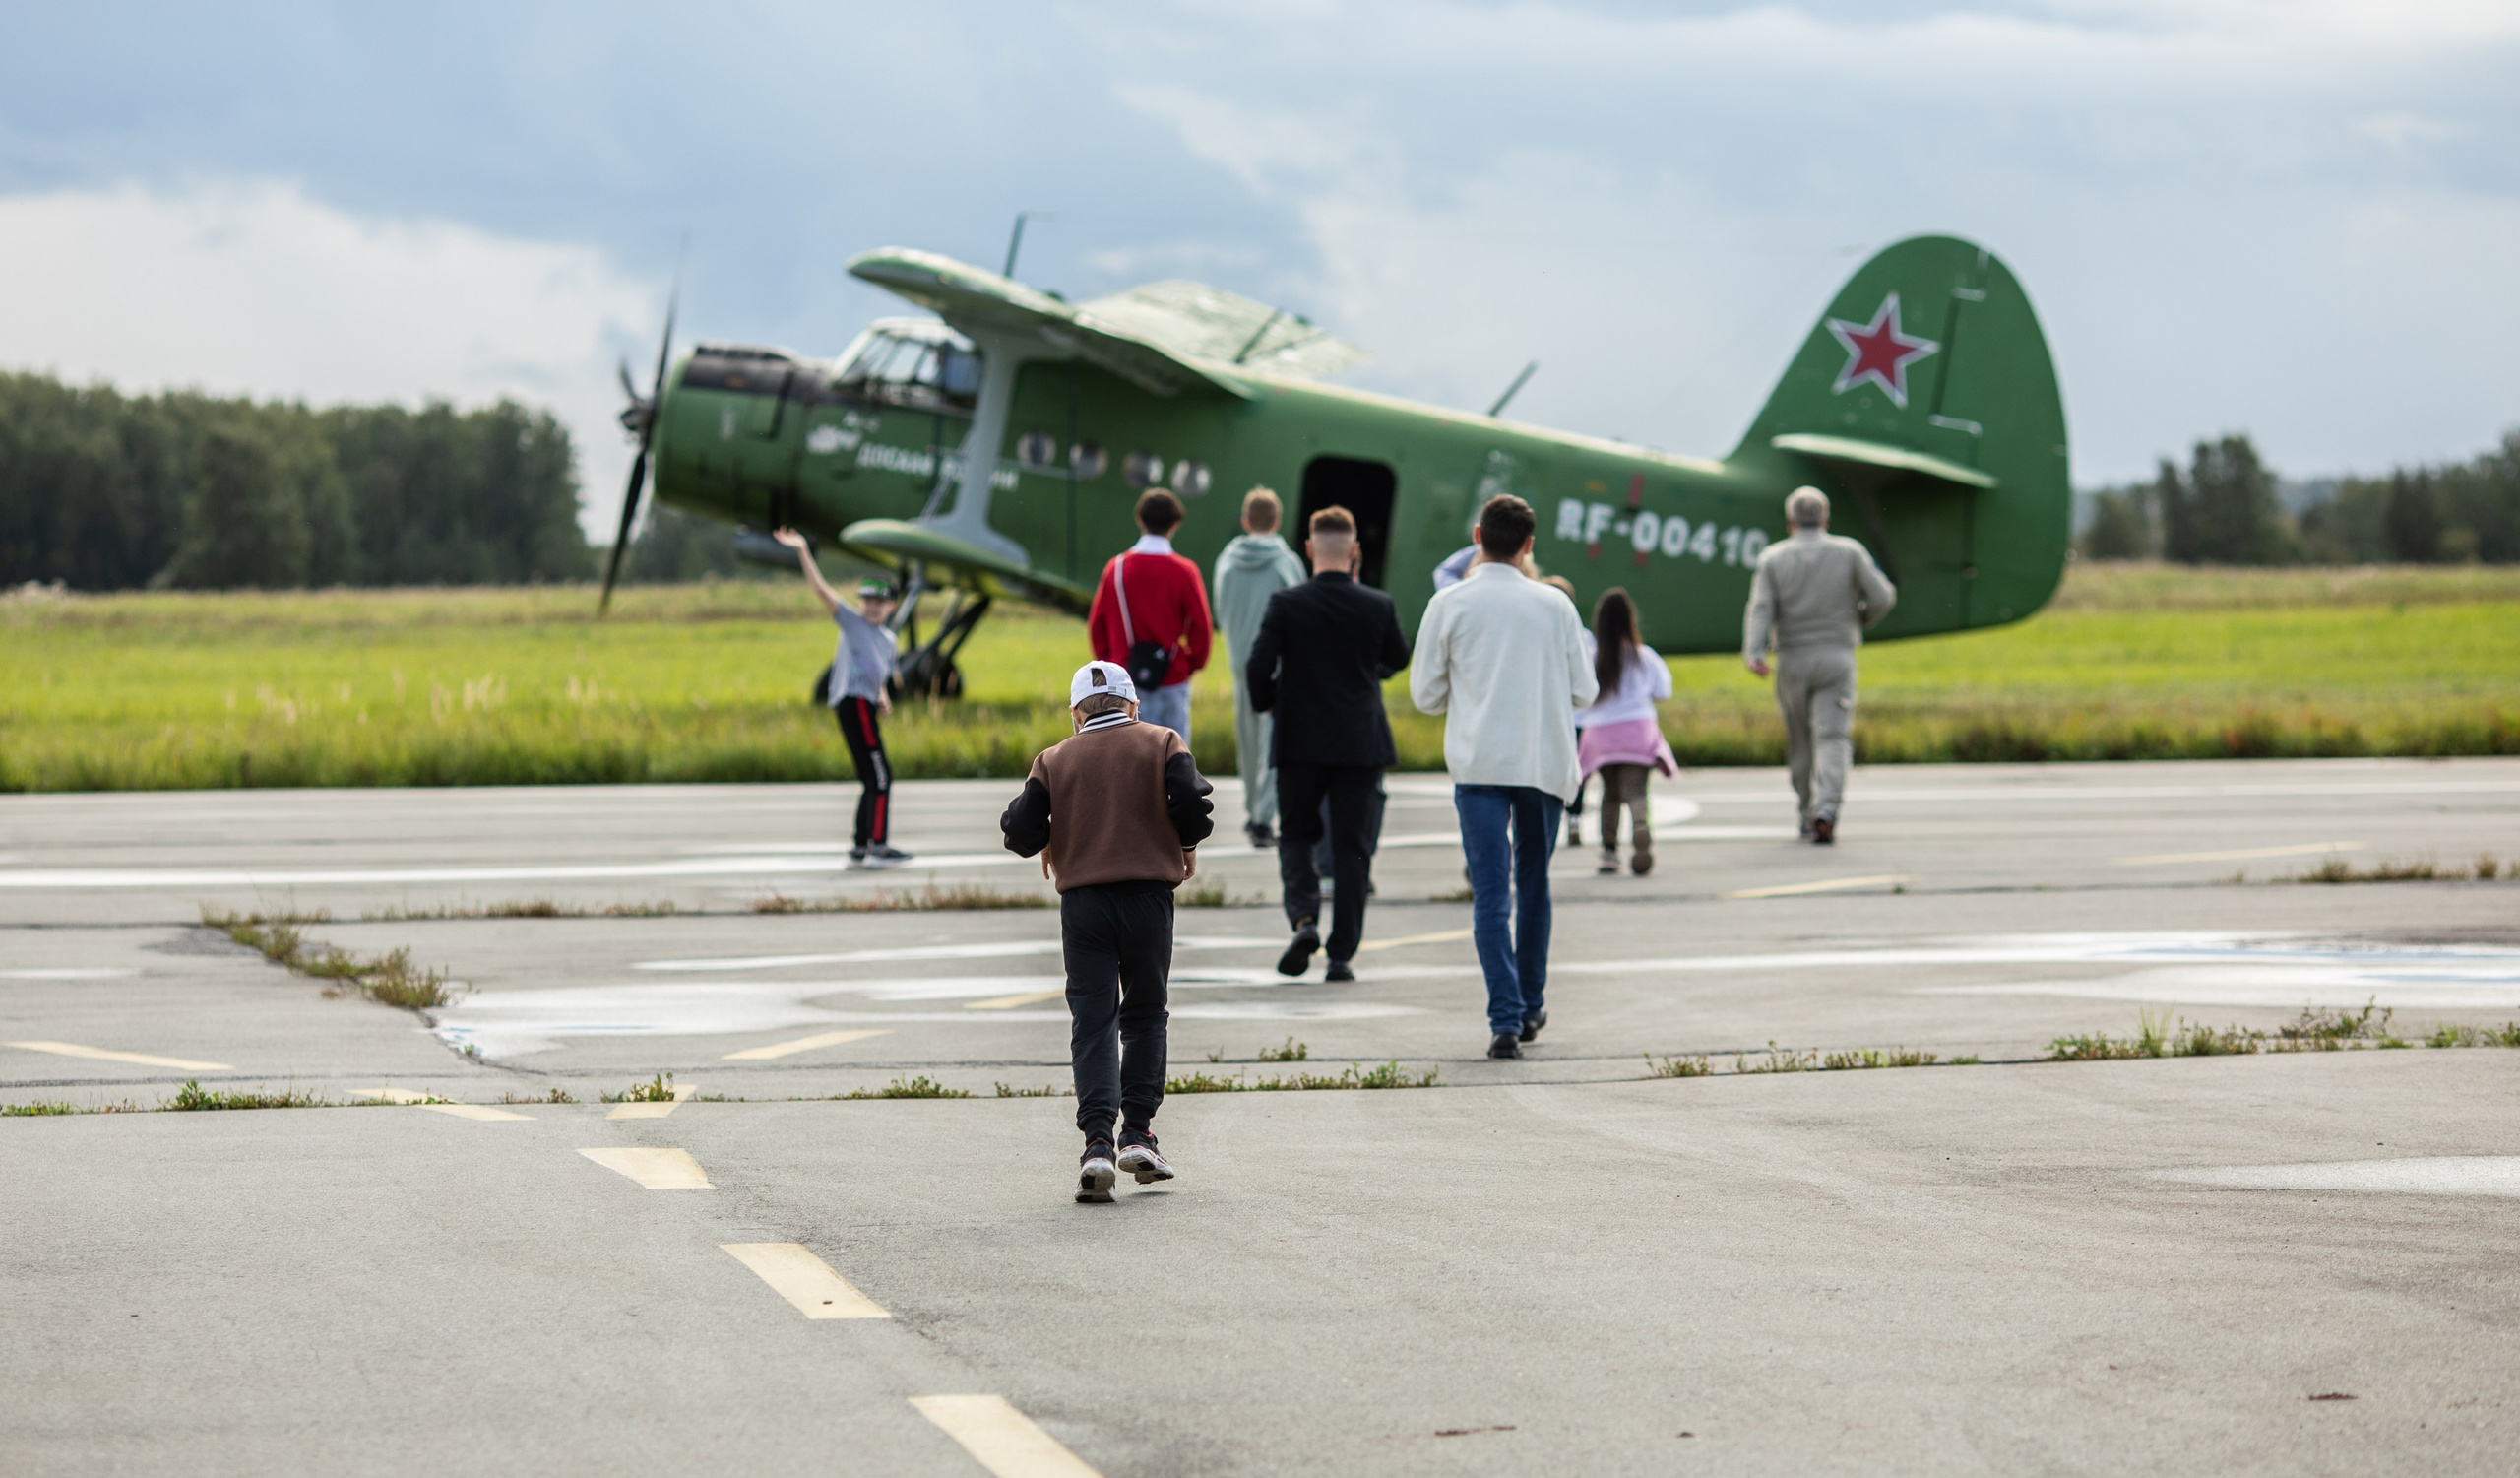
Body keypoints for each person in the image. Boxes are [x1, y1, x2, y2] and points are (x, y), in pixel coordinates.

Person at [999, 660, 1215, 1203]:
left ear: (1075, 714)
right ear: (1133, 704)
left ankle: (1096, 1143)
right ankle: (1137, 1133)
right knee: (1145, 1014)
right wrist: (1185, 844)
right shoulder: (1163, 741)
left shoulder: (1053, 760)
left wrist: (1052, 834)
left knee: (1093, 1019)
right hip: (1148, 898)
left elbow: (1020, 832)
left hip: (1085, 904)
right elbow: (1192, 801)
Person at [1409, 494, 1597, 1060]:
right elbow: (1585, 690)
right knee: (1534, 883)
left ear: (1477, 535)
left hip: (1479, 764)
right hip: (1542, 763)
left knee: (1491, 895)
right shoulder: (1555, 606)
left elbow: (1425, 694)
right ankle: (1532, 1001)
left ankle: (1505, 1019)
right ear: (1529, 544)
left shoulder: (1449, 603)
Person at [1245, 505, 1413, 984]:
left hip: (1299, 738)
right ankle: (1342, 953)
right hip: (1360, 740)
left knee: (1296, 834)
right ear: (1355, 551)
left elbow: (1258, 666)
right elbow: (1398, 657)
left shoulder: (1286, 603)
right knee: (1352, 848)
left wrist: (1270, 702)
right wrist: (1369, 672)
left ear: (1309, 549)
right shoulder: (1377, 604)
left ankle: (1303, 920)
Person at [1741, 486, 1897, 846]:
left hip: (1792, 658)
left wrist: (1755, 651)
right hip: (1836, 655)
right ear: (1826, 519)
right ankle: (1827, 809)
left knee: (1800, 742)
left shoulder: (1773, 558)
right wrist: (1860, 620)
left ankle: (1805, 812)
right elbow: (1883, 596)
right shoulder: (1848, 552)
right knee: (1832, 737)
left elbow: (1761, 606)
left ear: (1790, 521)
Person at [773, 527, 913, 868]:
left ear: (892, 604)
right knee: (881, 776)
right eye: (867, 600)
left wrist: (883, 696)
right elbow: (821, 590)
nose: (872, 607)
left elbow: (876, 669)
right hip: (853, 703)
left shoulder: (888, 640)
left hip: (865, 704)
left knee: (871, 777)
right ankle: (877, 845)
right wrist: (803, 549)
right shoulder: (852, 622)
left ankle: (860, 845)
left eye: (879, 602)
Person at [1211, 487, 1307, 846]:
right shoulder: (1287, 563)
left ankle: (1253, 808)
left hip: (1240, 660)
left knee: (1247, 741)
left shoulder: (1226, 561)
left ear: (1245, 521)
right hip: (1278, 664)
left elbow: (1220, 611)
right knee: (1272, 741)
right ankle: (1264, 818)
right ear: (1278, 521)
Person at [1088, 488, 1213, 743]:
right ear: (1175, 524)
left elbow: (1097, 625)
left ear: (1139, 520)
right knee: (1176, 762)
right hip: (1172, 676)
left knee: (1133, 763)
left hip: (1127, 680)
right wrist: (1190, 663)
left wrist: (1112, 664)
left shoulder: (1117, 568)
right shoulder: (1185, 571)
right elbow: (1201, 628)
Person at [1575, 588, 1677, 875]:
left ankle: (1609, 852)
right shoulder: (1643, 656)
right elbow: (1663, 691)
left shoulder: (1593, 657)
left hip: (1600, 735)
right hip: (1637, 729)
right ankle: (1641, 827)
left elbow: (1582, 695)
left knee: (1609, 795)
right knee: (1636, 792)